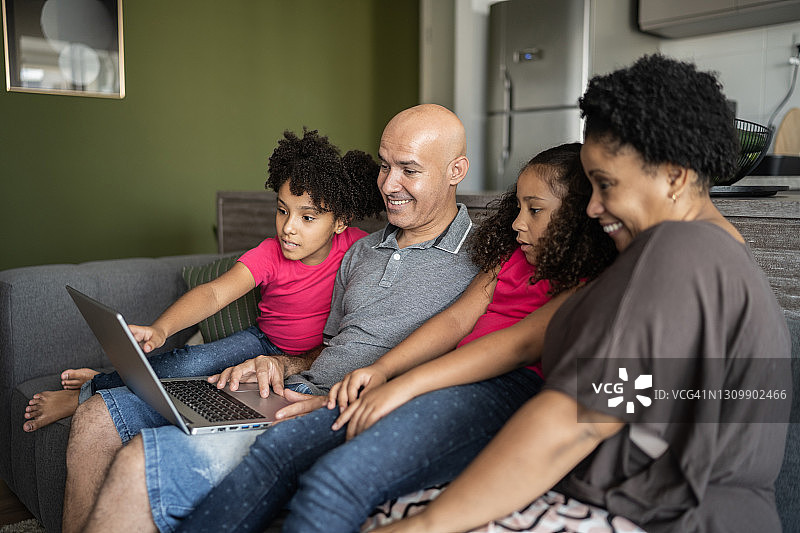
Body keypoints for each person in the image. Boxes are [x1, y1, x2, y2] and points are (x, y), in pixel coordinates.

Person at [370, 55, 793, 533]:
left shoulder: (677, 250)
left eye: (606, 184)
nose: (592, 207)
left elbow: (578, 420)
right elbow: (579, 369)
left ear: (675, 176)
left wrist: (425, 526)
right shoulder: (714, 253)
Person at [66, 104, 480, 533]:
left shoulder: (484, 261)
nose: (388, 184)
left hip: (337, 412)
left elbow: (476, 371)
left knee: (140, 462)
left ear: (456, 171)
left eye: (408, 170)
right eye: (384, 166)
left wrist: (343, 400)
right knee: (96, 417)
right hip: (286, 388)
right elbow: (327, 346)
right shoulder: (362, 250)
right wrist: (281, 364)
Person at [167, 143, 618, 533]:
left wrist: (401, 387)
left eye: (534, 210)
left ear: (581, 217)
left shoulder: (591, 281)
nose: (517, 223)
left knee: (331, 482)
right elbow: (455, 322)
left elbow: (517, 346)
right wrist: (381, 371)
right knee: (276, 447)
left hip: (500, 388)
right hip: (441, 377)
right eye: (517, 207)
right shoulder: (509, 256)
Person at [22, 128, 383, 434]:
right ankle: (87, 391)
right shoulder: (269, 254)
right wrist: (162, 328)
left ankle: (99, 379)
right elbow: (213, 295)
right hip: (263, 340)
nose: (288, 227)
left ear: (340, 222)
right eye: (282, 210)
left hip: (312, 359)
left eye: (307, 218)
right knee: (188, 364)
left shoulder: (359, 250)